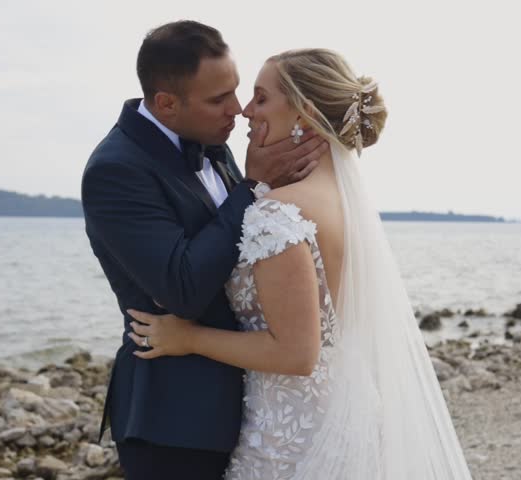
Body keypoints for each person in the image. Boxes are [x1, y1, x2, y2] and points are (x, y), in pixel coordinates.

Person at [128, 48, 474, 479]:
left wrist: (189, 337)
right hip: (347, 412)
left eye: (261, 98)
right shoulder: (344, 205)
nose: (246, 112)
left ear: (304, 115)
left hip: (293, 439)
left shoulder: (278, 213)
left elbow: (294, 353)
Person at [80, 21, 327, 480]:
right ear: (166, 103)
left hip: (254, 406)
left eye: (236, 91)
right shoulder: (114, 171)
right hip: (175, 420)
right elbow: (183, 290)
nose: (237, 110)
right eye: (219, 99)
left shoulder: (212, 142)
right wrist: (252, 185)